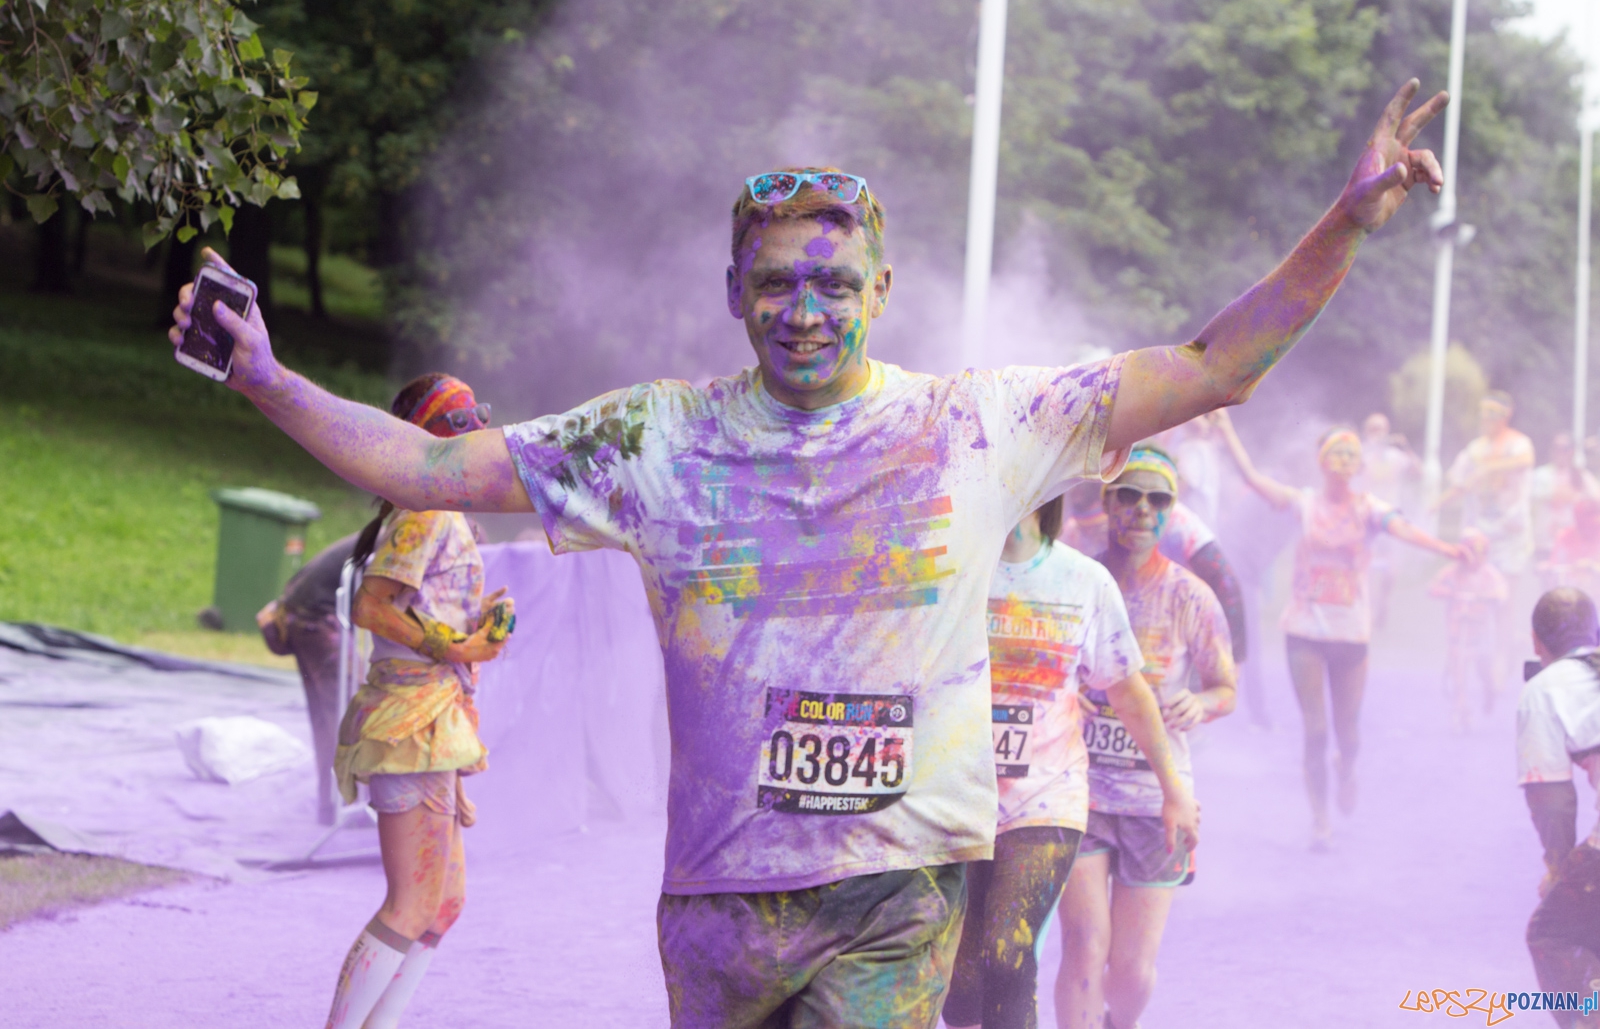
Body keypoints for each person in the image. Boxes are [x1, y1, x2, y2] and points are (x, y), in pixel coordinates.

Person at [169, 81, 1447, 1027]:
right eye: (775, 281)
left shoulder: (973, 423)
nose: (804, 307)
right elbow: (435, 468)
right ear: (734, 292)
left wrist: (1347, 222)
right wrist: (267, 377)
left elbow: (1214, 364)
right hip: (717, 896)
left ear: (879, 289)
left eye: (833, 282)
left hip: (894, 885)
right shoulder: (653, 435)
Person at [943, 494, 1190, 1029]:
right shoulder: (952, 569)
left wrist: (1175, 789)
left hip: (1046, 802)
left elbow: (1129, 692)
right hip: (956, 798)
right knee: (959, 982)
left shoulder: (1084, 581)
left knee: (1007, 950)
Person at [322, 374, 513, 1029]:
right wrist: (454, 647)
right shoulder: (426, 506)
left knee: (443, 903)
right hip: (411, 722)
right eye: (461, 428)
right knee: (412, 903)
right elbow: (371, 605)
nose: (477, 440)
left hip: (435, 718)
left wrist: (478, 626)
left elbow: (425, 609)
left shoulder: (443, 509)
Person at [1217, 412, 1461, 849]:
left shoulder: (1369, 509)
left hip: (1351, 634)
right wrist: (1226, 427)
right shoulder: (1304, 503)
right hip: (1305, 631)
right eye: (1337, 454)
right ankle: (1320, 820)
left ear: (1359, 465)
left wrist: (1446, 548)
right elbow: (1253, 479)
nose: (1345, 462)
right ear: (1322, 462)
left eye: (1352, 454)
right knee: (1315, 730)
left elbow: (1403, 529)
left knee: (1348, 734)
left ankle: (1346, 769)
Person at [1056, 447, 1236, 1029]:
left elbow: (1224, 688)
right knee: (1084, 948)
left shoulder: (1191, 597)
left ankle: (1119, 1021)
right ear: (1107, 502)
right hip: (1076, 792)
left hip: (1156, 801)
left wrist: (1201, 702)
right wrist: (1062, 693)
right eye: (1128, 495)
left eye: (1157, 499)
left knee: (1130, 973)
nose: (1141, 509)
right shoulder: (1075, 580)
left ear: (1171, 511)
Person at [1518, 588, 1600, 1027]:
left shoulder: (1545, 688)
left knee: (1555, 933)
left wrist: (1558, 867)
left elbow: (1550, 798)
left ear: (1536, 642)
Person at [1060, 481, 1248, 667]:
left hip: (1182, 635)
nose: (1095, 538)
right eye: (1087, 531)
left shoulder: (1170, 519)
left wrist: (1235, 660)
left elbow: (1224, 582)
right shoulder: (1073, 535)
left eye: (1100, 529)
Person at [256, 532, 360, 823]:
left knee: (334, 716)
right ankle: (344, 807)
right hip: (315, 620)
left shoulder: (399, 528)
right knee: (351, 715)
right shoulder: (415, 535)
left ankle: (334, 806)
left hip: (300, 615)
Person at [1439, 392, 1537, 693]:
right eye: (1483, 414)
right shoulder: (1474, 449)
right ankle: (1466, 658)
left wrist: (1489, 469)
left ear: (1504, 417)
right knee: (1471, 598)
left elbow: (1526, 460)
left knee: (1504, 600)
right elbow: (1458, 481)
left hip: (1510, 533)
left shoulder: (1518, 443)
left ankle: (1501, 660)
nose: (1486, 420)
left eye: (1492, 415)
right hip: (1480, 536)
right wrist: (1435, 504)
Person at [1428, 528, 1508, 731]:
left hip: (1481, 632)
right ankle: (1460, 704)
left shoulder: (1489, 574)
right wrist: (1449, 592)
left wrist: (1489, 597)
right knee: (1458, 668)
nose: (1475, 560)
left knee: (1483, 668)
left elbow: (1501, 591)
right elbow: (1433, 587)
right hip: (1458, 629)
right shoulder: (1452, 572)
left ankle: (1489, 689)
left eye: (1481, 555)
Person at [1358, 412, 1421, 629]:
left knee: (1390, 570)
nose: (1378, 434)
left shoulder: (1395, 456)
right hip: (1366, 517)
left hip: (1391, 516)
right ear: (1366, 432)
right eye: (1373, 429)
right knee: (1365, 566)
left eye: (1382, 429)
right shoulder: (1361, 454)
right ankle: (1366, 608)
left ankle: (1383, 603)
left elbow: (1418, 472)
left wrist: (1406, 448)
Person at [1532, 434, 1600, 586]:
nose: (1559, 453)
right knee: (1548, 588)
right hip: (1545, 542)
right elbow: (1531, 497)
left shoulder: (1581, 476)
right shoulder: (1541, 475)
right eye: (1555, 448)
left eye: (1564, 449)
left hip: (1572, 544)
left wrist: (1578, 499)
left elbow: (1596, 501)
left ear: (1572, 452)